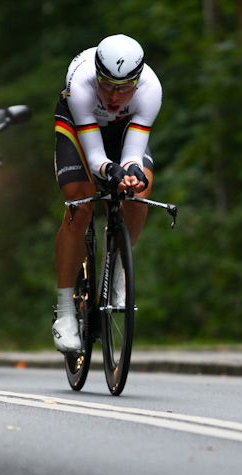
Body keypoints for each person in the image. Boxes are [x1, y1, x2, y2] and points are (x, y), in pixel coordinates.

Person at [52, 34, 162, 352]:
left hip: (124, 130)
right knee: (79, 202)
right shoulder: (81, 85)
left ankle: (119, 274)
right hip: (79, 126)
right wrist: (111, 172)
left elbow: (133, 153)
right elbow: (96, 156)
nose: (115, 95)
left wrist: (130, 171)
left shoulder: (151, 90)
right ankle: (65, 312)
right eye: (108, 85)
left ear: (138, 81)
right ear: (96, 76)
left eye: (125, 86)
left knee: (140, 190)